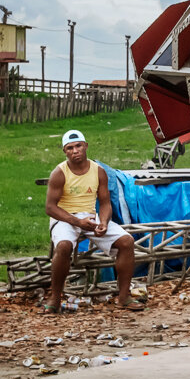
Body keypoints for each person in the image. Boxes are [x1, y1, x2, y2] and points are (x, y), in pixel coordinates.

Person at [44, 129, 143, 312]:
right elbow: (50, 208)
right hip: (65, 216)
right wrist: (76, 222)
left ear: (86, 146)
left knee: (127, 241)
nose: (75, 151)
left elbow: (105, 203)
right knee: (64, 246)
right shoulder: (59, 173)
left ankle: (124, 297)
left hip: (90, 216)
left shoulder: (99, 171)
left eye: (78, 146)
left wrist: (104, 222)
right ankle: (55, 298)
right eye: (70, 148)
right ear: (65, 151)